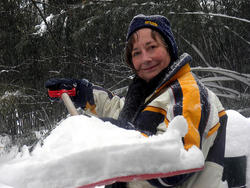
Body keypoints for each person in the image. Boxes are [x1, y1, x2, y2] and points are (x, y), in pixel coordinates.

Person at [45, 14, 228, 188]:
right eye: (136, 53)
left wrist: (110, 133)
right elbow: (122, 114)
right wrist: (82, 93)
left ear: (169, 49)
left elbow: (175, 164)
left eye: (152, 47)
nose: (145, 59)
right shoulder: (151, 92)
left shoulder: (188, 92)